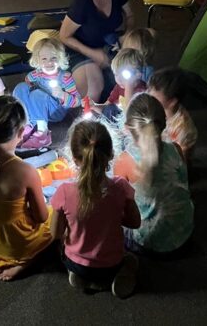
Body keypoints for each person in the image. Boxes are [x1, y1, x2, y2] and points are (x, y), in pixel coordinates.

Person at [50, 120, 141, 298]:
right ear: (111, 153)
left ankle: (80, 276)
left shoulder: (64, 192)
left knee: (66, 253)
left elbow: (55, 234)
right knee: (131, 260)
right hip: (112, 262)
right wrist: (111, 216)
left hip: (75, 262)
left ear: (74, 158)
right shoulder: (121, 187)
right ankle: (118, 279)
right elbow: (135, 222)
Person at [0, 96, 54, 281]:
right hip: (17, 244)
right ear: (21, 132)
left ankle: (2, 257)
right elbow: (41, 217)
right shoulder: (25, 171)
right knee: (58, 217)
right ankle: (25, 262)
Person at [113, 94, 194, 255]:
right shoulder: (176, 149)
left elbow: (117, 205)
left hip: (148, 244)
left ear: (128, 128)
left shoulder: (123, 162)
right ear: (163, 123)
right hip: (184, 233)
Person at [59, 0, 134, 101]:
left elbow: (130, 16)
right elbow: (64, 36)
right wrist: (93, 54)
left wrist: (127, 34)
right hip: (80, 47)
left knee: (130, 76)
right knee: (92, 91)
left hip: (109, 42)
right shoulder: (81, 3)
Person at [11, 38, 81, 149]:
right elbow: (27, 81)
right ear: (38, 60)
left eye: (54, 58)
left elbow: (78, 101)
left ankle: (42, 134)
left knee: (36, 94)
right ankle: (26, 124)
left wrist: (62, 95)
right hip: (38, 109)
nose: (49, 62)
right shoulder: (34, 75)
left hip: (55, 112)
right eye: (44, 59)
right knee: (21, 87)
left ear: (60, 58)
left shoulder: (65, 78)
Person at [146, 67, 198, 163]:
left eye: (154, 96)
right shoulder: (159, 107)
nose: (148, 95)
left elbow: (180, 162)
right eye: (149, 90)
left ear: (172, 102)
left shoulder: (182, 130)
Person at [92, 48, 147, 121]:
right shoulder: (119, 86)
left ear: (138, 74)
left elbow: (130, 112)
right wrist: (95, 106)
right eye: (116, 74)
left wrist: (128, 86)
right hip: (115, 120)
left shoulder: (142, 91)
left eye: (124, 75)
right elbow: (107, 105)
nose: (119, 79)